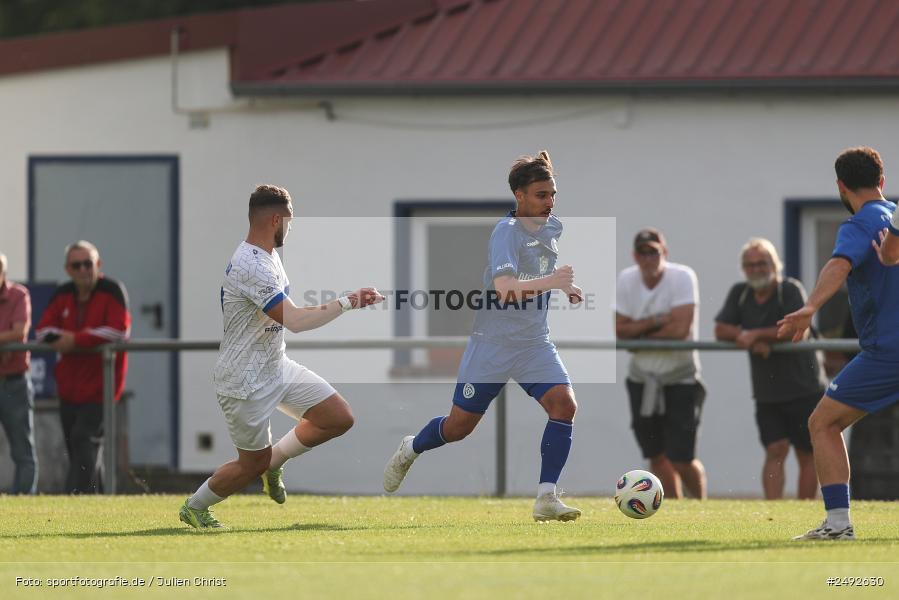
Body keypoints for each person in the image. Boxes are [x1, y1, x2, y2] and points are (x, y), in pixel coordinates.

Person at [383, 151, 585, 522]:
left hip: (534, 344)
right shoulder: (505, 233)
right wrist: (554, 283)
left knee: (564, 406)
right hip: (492, 345)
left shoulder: (552, 227)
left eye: (552, 194)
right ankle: (411, 448)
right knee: (458, 427)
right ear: (519, 196)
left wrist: (564, 288)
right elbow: (506, 288)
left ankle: (546, 498)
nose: (549, 202)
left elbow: (538, 275)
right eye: (541, 195)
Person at [179, 184, 384, 529]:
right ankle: (195, 507)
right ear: (276, 218)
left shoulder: (268, 255)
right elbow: (296, 321)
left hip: (276, 367)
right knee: (251, 465)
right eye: (290, 221)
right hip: (244, 381)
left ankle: (275, 461)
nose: (290, 228)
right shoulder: (251, 264)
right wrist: (348, 301)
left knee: (338, 417)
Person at [779, 146, 899, 541]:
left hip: (888, 350)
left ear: (841, 187)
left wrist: (810, 306)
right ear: (881, 181)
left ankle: (837, 523)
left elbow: (839, 264)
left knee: (823, 422)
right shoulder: (892, 218)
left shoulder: (859, 223)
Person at [714, 238, 825, 500]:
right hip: (767, 391)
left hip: (804, 387)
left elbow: (797, 328)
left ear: (774, 265)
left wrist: (755, 336)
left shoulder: (789, 290)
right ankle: (773, 511)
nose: (756, 269)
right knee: (775, 449)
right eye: (750, 264)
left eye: (762, 263)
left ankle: (803, 509)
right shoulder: (740, 293)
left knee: (806, 452)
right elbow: (720, 329)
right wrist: (749, 336)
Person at [615, 228, 706, 499]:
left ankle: (700, 507)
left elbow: (680, 330)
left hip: (681, 379)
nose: (648, 258)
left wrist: (639, 332)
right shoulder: (626, 279)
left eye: (653, 251)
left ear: (664, 252)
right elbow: (620, 331)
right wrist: (657, 321)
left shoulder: (683, 276)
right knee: (656, 457)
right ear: (635, 256)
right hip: (641, 379)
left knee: (681, 457)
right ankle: (676, 510)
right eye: (642, 252)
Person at [35, 241, 130, 494]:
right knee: (77, 447)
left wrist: (75, 340)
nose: (83, 270)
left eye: (88, 263)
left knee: (83, 439)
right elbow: (43, 330)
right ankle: (96, 500)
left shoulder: (112, 290)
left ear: (98, 265)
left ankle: (77, 498)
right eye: (77, 265)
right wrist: (69, 339)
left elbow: (119, 330)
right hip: (69, 389)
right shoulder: (62, 294)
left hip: (102, 389)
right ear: (68, 269)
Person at [0, 253, 37, 494]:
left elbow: (19, 331)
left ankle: (23, 503)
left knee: (23, 450)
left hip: (13, 382)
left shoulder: (18, 295)